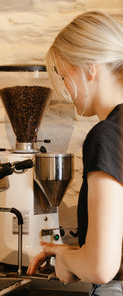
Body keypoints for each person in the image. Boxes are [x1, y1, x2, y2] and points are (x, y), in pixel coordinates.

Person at [26, 10, 123, 296]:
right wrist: (68, 251)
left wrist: (66, 258)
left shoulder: (106, 135)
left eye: (64, 74)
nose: (66, 88)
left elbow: (102, 267)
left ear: (90, 68)